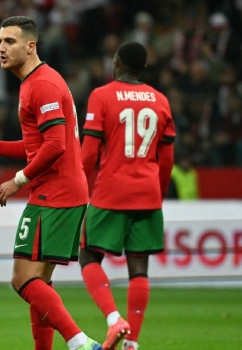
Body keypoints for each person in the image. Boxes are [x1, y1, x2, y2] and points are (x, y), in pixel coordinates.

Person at [0, 16, 102, 350]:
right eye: (0, 41)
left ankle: (79, 342)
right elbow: (40, 143)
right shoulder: (34, 82)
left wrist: (18, 179)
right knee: (39, 282)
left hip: (54, 193)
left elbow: (56, 145)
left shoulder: (42, 84)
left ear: (31, 46)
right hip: (65, 190)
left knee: (22, 279)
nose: (1, 48)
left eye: (11, 42)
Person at [78, 41, 175, 350]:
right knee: (139, 268)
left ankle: (113, 320)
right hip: (147, 193)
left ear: (116, 63)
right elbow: (168, 159)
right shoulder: (161, 100)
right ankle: (132, 343)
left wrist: (79, 190)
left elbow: (89, 154)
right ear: (143, 68)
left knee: (88, 255)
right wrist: (156, 195)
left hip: (111, 190)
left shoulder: (102, 95)